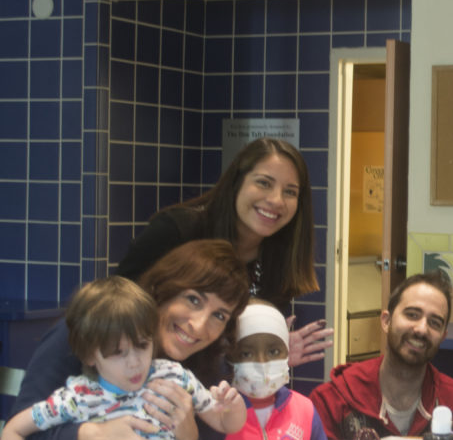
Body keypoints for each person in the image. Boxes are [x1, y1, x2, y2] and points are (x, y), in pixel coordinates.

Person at [3, 240, 249, 440]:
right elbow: (20, 433)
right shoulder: (88, 336)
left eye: (219, 315)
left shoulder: (189, 375)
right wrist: (85, 437)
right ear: (162, 290)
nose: (199, 324)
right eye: (192, 299)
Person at [115, 137, 332, 367]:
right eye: (264, 183)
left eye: (290, 192)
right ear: (237, 182)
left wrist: (267, 351)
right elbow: (114, 309)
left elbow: (226, 351)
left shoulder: (278, 262)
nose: (276, 200)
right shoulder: (175, 231)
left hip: (203, 387)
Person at [311, 272, 453, 440]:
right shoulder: (332, 401)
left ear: (442, 336)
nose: (421, 329)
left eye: (434, 323)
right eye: (412, 315)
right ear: (386, 321)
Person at [214, 300, 329, 440]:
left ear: (287, 353)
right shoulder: (216, 412)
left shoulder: (305, 410)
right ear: (230, 356)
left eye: (274, 351)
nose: (262, 363)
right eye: (246, 353)